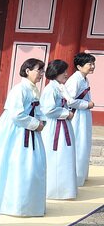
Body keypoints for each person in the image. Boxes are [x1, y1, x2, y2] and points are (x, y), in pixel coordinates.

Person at [0, 59, 48, 218]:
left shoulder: (33, 89)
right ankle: (13, 204)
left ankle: (30, 204)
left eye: (42, 71)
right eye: (39, 70)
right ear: (27, 71)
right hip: (17, 132)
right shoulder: (19, 89)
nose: (41, 74)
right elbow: (16, 114)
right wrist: (35, 124)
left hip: (30, 129)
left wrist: (41, 120)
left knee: (33, 167)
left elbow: (38, 109)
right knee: (17, 165)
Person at [40, 59, 79, 200]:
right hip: (54, 126)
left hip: (63, 125)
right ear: (56, 73)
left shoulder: (60, 87)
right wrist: (66, 113)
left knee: (64, 156)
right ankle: (53, 190)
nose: (66, 75)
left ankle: (64, 189)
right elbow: (48, 109)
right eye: (64, 72)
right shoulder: (50, 89)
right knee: (55, 156)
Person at [65, 53, 96, 182]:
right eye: (90, 64)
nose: (93, 66)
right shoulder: (75, 80)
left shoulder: (84, 78)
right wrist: (86, 104)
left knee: (84, 143)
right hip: (77, 116)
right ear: (79, 66)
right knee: (78, 142)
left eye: (93, 63)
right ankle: (75, 176)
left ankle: (81, 174)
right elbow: (69, 101)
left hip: (84, 115)